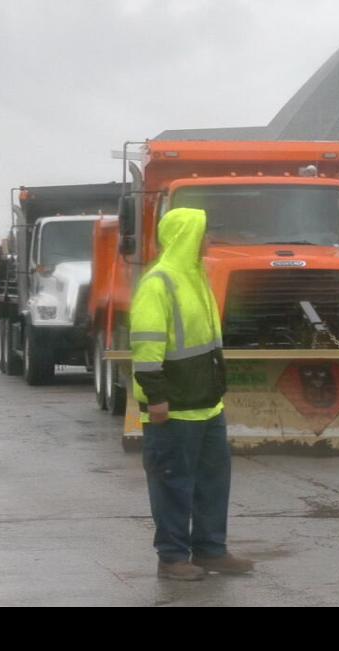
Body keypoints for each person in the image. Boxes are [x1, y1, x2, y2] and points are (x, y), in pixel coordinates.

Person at [131, 207, 254, 581]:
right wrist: (156, 400)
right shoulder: (159, 283)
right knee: (172, 483)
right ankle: (171, 558)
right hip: (174, 409)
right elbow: (147, 348)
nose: (208, 240)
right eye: (202, 233)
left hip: (206, 405)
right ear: (185, 236)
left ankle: (210, 551)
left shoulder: (197, 278)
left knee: (213, 482)